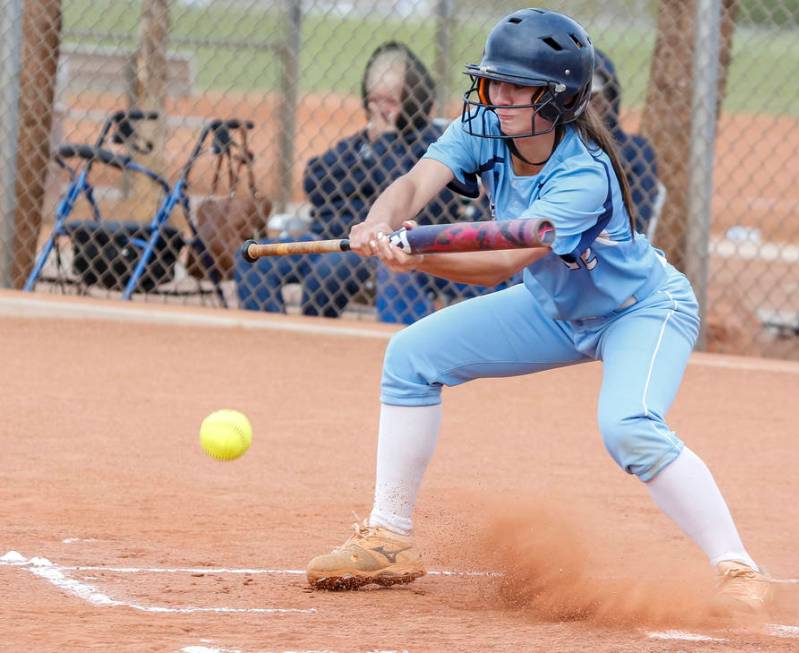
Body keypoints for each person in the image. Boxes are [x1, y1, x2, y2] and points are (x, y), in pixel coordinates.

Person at [305, 9, 773, 615]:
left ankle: (737, 568)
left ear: (558, 99)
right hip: (553, 307)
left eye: (517, 86)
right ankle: (389, 535)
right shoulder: (485, 125)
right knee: (410, 357)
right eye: (494, 82)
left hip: (640, 310)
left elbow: (504, 260)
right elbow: (416, 183)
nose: (498, 96)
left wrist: (417, 259)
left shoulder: (585, 174)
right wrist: (380, 221)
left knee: (629, 427)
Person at [234, 42, 471, 320]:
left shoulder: (431, 146)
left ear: (412, 99)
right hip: (326, 235)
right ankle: (274, 335)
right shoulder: (360, 141)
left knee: (327, 272)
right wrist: (369, 170)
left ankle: (319, 341)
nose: (380, 110)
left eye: (390, 102)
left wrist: (384, 145)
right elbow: (316, 177)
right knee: (253, 261)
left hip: (374, 247)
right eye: (374, 100)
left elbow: (422, 203)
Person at [590, 48, 660, 237]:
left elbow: (636, 225)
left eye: (593, 99)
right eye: (576, 99)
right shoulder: (546, 148)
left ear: (610, 99)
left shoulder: (634, 152)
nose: (585, 109)